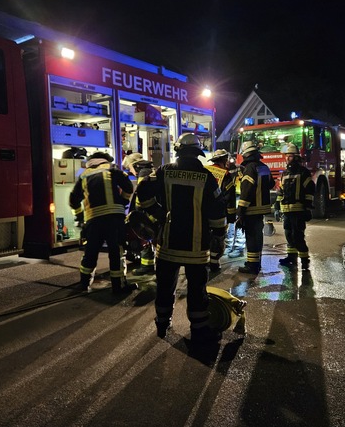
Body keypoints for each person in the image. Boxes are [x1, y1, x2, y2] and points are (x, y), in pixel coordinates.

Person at [136, 133, 227, 343]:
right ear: (197, 153)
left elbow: (143, 191)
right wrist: (219, 235)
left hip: (168, 243)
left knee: (165, 287)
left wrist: (157, 213)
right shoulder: (206, 177)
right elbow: (217, 210)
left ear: (178, 150)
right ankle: (199, 330)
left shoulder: (164, 171)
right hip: (197, 247)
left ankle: (162, 324)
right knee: (197, 290)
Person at [69, 151, 139, 294]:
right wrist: (123, 202)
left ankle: (84, 283)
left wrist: (79, 217)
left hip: (94, 219)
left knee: (91, 251)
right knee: (116, 252)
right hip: (114, 218)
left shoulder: (84, 175)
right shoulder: (111, 169)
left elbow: (73, 199)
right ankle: (118, 286)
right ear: (104, 160)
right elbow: (128, 187)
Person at [235, 140, 276, 274]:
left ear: (245, 154)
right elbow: (270, 184)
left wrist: (240, 211)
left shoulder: (249, 168)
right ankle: (256, 262)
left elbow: (246, 192)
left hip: (251, 209)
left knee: (251, 237)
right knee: (258, 236)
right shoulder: (264, 167)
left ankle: (252, 266)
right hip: (262, 209)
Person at [275, 144, 315, 270]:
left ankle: (304, 260)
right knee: (288, 235)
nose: (287, 159)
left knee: (298, 237)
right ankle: (291, 258)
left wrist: (307, 208)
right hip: (286, 210)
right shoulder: (285, 173)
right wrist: (277, 206)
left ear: (296, 157)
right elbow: (281, 191)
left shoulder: (303, 172)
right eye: (286, 156)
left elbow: (310, 190)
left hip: (298, 210)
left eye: (290, 156)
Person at [204, 149, 237, 273]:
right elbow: (229, 197)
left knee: (204, 235)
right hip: (218, 212)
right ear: (224, 160)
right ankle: (214, 263)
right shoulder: (225, 174)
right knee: (218, 237)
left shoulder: (205, 170)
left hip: (202, 210)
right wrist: (231, 215)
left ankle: (203, 260)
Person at [124, 152, 156, 275]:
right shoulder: (150, 170)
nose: (130, 171)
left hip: (146, 211)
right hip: (152, 209)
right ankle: (148, 264)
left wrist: (137, 213)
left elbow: (141, 195)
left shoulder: (143, 173)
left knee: (145, 237)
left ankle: (147, 266)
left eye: (129, 168)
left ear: (134, 165)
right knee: (149, 238)